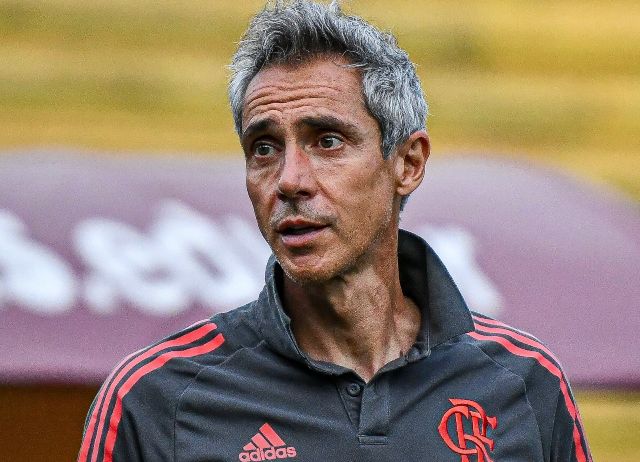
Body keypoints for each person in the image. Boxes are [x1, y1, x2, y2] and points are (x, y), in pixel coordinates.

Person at [78, 1, 591, 461]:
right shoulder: (154, 399)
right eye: (264, 148)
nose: (289, 180)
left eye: (327, 141)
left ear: (408, 163)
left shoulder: (524, 383)